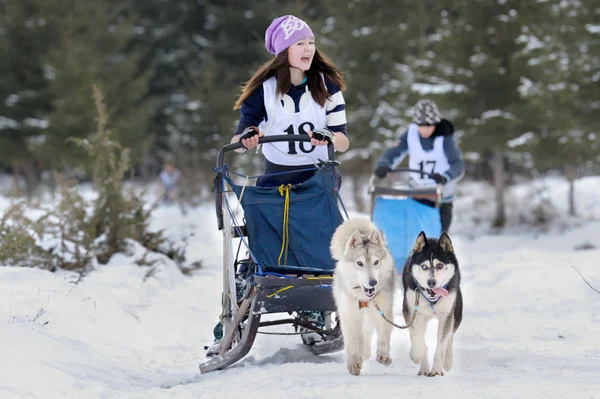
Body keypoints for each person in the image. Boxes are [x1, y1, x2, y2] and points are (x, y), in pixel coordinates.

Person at [206, 15, 349, 357]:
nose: (308, 49)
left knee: (317, 247)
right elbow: (239, 136)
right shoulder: (264, 89)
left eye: (311, 42)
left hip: (317, 180)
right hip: (275, 179)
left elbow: (342, 140)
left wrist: (327, 136)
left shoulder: (327, 85)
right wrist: (247, 138)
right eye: (300, 43)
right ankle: (228, 323)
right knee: (264, 248)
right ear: (284, 50)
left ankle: (314, 312)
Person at [373, 99, 464, 233]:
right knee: (416, 238)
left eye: (429, 125)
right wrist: (383, 165)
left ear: (436, 123)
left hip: (441, 197)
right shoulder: (411, 134)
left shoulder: (445, 138)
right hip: (418, 194)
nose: (425, 129)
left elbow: (458, 164)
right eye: (421, 125)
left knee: (439, 239)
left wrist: (446, 176)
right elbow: (393, 152)